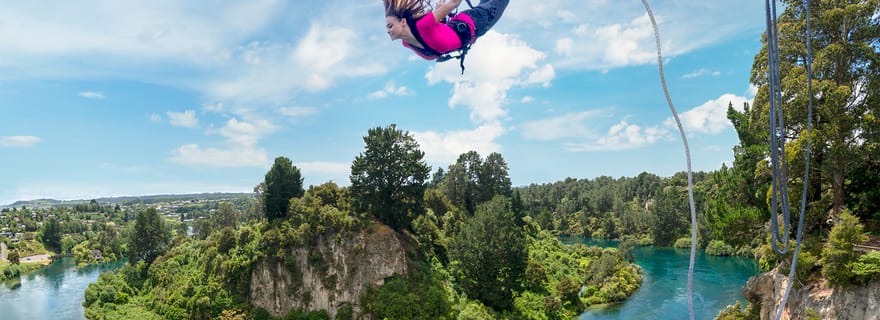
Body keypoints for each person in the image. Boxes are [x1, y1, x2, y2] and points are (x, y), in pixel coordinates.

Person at [384, 0, 509, 73]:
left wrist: (441, 11)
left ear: (403, 22)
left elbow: (454, 3)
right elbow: (439, 40)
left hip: (478, 21)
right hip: (468, 28)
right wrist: (441, 19)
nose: (388, 31)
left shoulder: (424, 25)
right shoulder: (407, 44)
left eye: (390, 26)